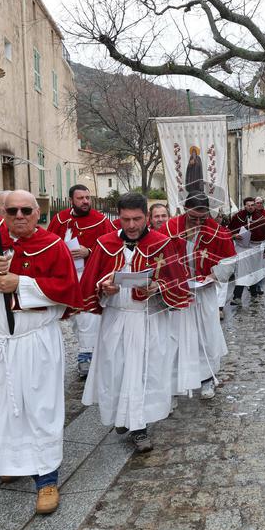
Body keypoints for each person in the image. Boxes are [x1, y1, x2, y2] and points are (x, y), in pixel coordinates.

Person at [0, 190, 81, 514]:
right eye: (12, 211)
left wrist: (21, 282)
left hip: (35, 343)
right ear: (2, 214)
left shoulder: (53, 245)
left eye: (25, 210)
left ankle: (46, 479)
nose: (19, 216)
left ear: (37, 213)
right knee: (1, 407)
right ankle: (10, 461)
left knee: (39, 410)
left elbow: (67, 290)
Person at [80, 193, 191, 453]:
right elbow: (89, 285)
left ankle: (139, 427)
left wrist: (157, 287)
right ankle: (123, 417)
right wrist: (103, 289)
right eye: (125, 219)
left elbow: (178, 284)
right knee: (116, 372)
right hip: (116, 318)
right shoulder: (105, 243)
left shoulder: (163, 244)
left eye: (137, 219)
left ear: (147, 217)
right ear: (119, 216)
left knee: (143, 375)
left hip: (148, 320)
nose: (131, 225)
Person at [162, 192, 238, 399]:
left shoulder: (218, 231)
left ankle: (206, 379)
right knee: (175, 338)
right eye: (193, 217)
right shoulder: (169, 229)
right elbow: (156, 256)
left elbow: (229, 259)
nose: (197, 222)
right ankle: (174, 385)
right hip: (177, 293)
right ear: (185, 210)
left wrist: (214, 274)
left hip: (203, 292)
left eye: (202, 218)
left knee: (205, 335)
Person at [47, 185, 115, 379]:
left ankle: (86, 355)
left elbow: (110, 247)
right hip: (67, 274)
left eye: (87, 197)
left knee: (88, 315)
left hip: (89, 274)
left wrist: (89, 252)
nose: (85, 201)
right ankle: (89, 350)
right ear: (71, 200)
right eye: (80, 198)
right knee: (75, 317)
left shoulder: (101, 221)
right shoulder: (60, 220)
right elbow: (48, 243)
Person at [228, 197, 265, 302]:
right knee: (241, 271)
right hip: (241, 248)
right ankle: (237, 296)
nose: (250, 207)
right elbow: (229, 230)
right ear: (244, 206)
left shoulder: (261, 218)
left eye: (252, 205)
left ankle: (253, 293)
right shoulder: (237, 217)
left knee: (253, 271)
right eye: (248, 205)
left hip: (255, 248)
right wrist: (234, 235)